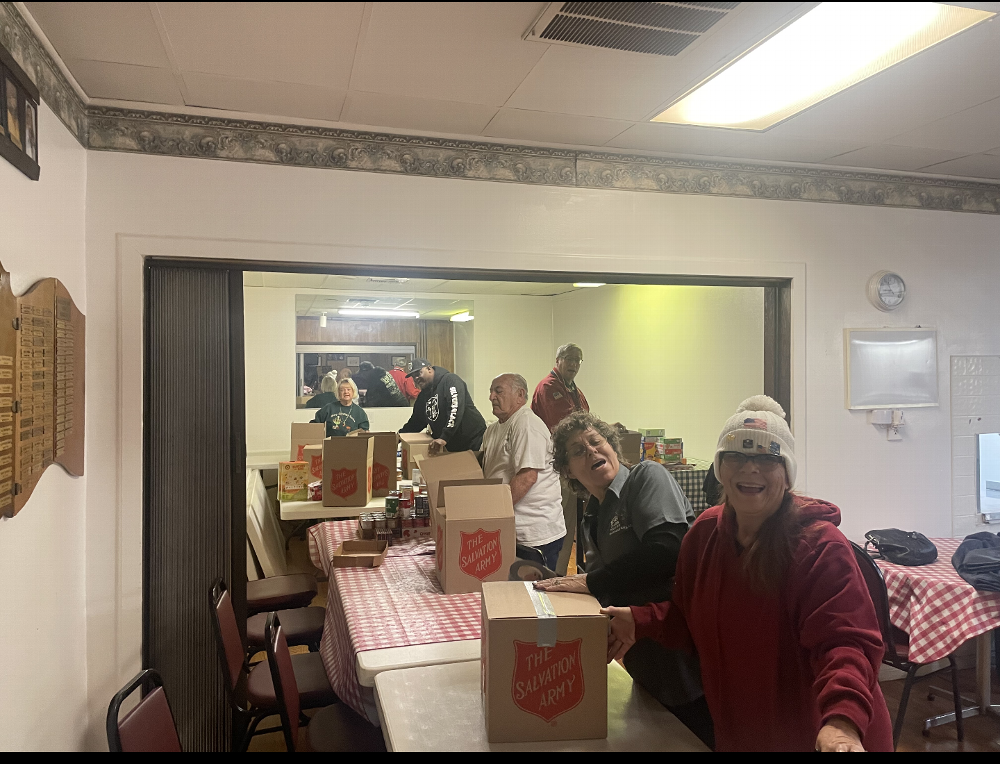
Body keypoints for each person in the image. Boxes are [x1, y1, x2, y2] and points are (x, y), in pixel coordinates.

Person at [600, 396, 894, 752]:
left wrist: (842, 723)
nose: (749, 468)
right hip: (742, 732)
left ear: (787, 473)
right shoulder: (704, 535)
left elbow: (844, 645)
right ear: (720, 468)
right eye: (736, 455)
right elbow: (692, 619)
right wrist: (640, 620)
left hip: (826, 737)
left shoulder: (820, 547)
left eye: (767, 458)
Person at [534, 411, 711, 747]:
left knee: (696, 736)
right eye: (577, 451)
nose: (590, 451)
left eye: (595, 441)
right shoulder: (591, 519)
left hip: (681, 653)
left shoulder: (646, 477)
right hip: (642, 657)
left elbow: (667, 550)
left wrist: (591, 583)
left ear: (613, 447)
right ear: (568, 470)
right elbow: (613, 587)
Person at [481, 374, 566, 571]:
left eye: (498, 391)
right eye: (491, 391)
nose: (491, 396)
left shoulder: (526, 423)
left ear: (520, 395)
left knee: (535, 598)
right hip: (509, 530)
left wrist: (492, 515)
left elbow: (527, 477)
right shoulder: (492, 430)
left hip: (534, 535)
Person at [531, 343, 589, 575]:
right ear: (558, 360)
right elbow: (565, 426)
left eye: (578, 360)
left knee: (569, 522)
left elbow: (582, 417)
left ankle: (560, 574)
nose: (574, 364)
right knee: (559, 523)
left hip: (572, 466)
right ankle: (553, 575)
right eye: (570, 359)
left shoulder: (573, 388)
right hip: (556, 467)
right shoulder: (549, 387)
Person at [399, 359, 486, 454]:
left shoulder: (450, 380)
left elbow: (455, 409)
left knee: (473, 468)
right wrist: (400, 435)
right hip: (451, 445)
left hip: (472, 441)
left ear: (429, 369)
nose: (416, 378)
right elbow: (416, 422)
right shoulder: (423, 396)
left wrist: (444, 437)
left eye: (418, 373)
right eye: (413, 376)